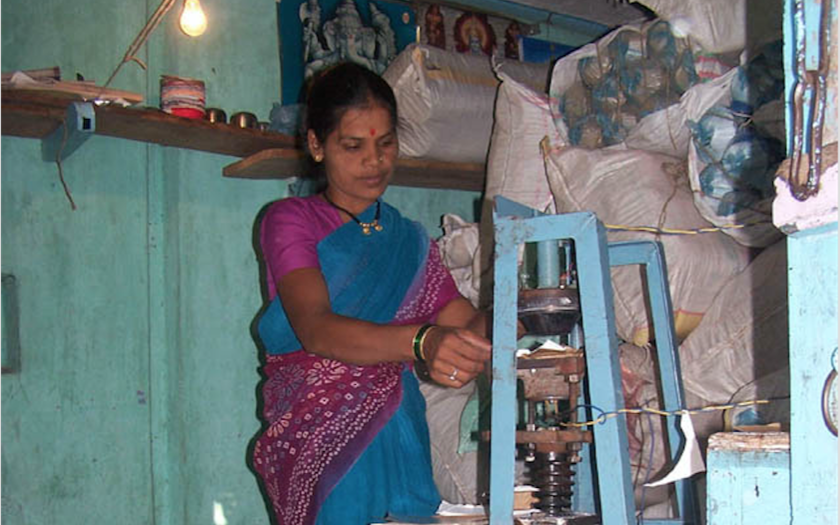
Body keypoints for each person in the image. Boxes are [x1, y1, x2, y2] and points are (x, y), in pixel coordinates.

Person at [251, 62, 492, 525]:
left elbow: (462, 321)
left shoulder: (409, 241)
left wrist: (514, 311)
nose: (374, 161)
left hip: (399, 428)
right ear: (316, 145)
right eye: (353, 146)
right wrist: (422, 341)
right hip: (323, 440)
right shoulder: (291, 220)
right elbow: (316, 329)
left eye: (386, 144)